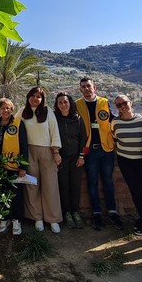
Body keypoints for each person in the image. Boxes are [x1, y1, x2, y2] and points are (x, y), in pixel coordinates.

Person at [75, 77, 123, 230]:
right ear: (80, 89)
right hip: (90, 151)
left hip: (107, 149)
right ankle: (96, 214)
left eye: (89, 86)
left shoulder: (103, 102)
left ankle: (113, 212)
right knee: (92, 183)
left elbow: (113, 120)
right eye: (83, 86)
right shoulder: (77, 105)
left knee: (108, 181)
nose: (87, 89)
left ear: (94, 87)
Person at [17, 86, 63, 233]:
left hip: (47, 151)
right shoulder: (22, 112)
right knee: (32, 185)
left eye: (38, 96)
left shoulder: (48, 112)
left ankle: (53, 219)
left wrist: (56, 152)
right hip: (28, 151)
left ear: (42, 99)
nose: (35, 98)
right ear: (28, 96)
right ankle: (37, 217)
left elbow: (54, 131)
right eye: (33, 95)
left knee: (50, 185)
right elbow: (12, 125)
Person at [111, 94, 142, 236]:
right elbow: (114, 139)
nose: (123, 106)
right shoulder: (115, 123)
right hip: (125, 161)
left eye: (124, 103)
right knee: (136, 191)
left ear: (131, 102)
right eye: (119, 105)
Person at [0, 98, 28, 236]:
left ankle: (17, 220)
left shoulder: (18, 124)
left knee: (16, 195)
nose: (5, 110)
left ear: (12, 109)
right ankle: (4, 219)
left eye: (8, 108)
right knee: (1, 193)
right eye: (2, 108)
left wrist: (23, 166)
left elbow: (24, 146)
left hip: (14, 166)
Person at [53, 93, 87, 229]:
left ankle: (75, 212)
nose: (63, 105)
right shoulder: (55, 119)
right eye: (60, 102)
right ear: (57, 105)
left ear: (70, 103)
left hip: (75, 158)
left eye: (65, 102)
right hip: (61, 157)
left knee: (76, 186)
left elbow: (84, 139)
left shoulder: (78, 118)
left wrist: (81, 156)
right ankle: (66, 212)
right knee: (63, 186)